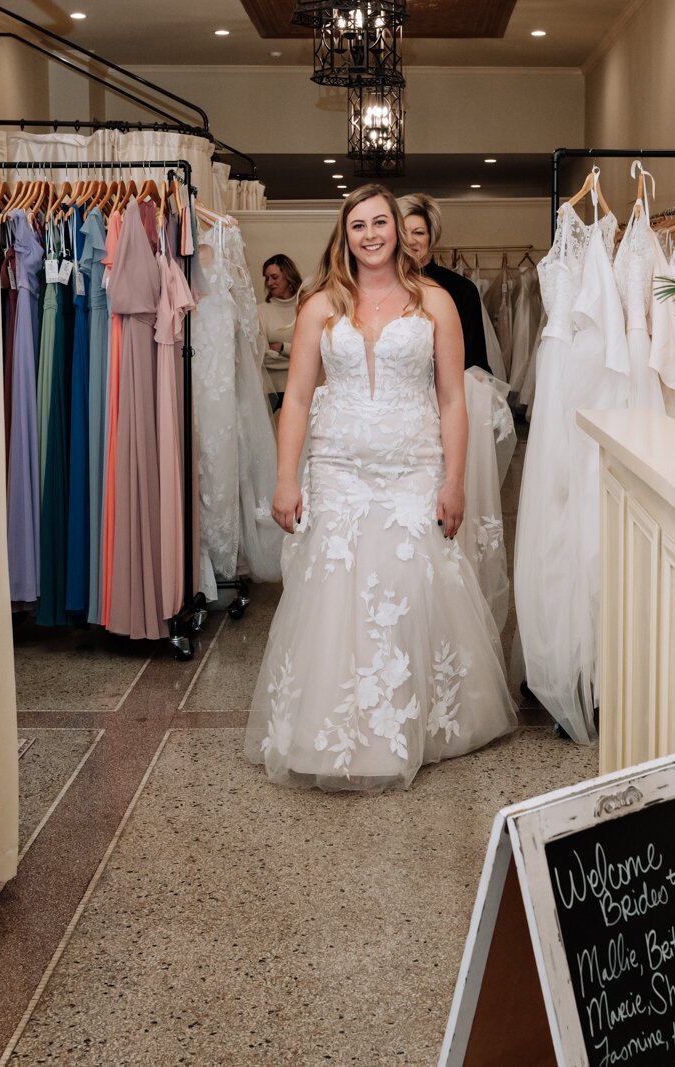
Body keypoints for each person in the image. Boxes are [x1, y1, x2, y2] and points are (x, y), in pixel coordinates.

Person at [243, 184, 518, 791]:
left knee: (407, 588)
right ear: (344, 234)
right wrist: (286, 477)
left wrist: (453, 480)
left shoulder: (436, 303)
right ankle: (335, 728)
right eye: (357, 225)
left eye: (380, 223)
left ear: (399, 228)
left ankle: (415, 723)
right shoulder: (319, 304)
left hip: (412, 464)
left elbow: (452, 400)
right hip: (336, 464)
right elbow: (294, 399)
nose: (370, 234)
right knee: (335, 589)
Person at [397, 193, 492, 374]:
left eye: (419, 232)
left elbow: (475, 361)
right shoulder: (380, 287)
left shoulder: (461, 289)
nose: (410, 240)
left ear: (431, 237)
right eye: (402, 233)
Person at [258, 253, 301, 402]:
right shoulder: (260, 311)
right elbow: (263, 357)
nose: (269, 282)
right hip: (270, 391)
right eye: (266, 278)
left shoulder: (306, 308)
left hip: (301, 387)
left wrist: (282, 347)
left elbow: (316, 352)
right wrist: (298, 355)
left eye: (274, 277)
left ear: (288, 276)